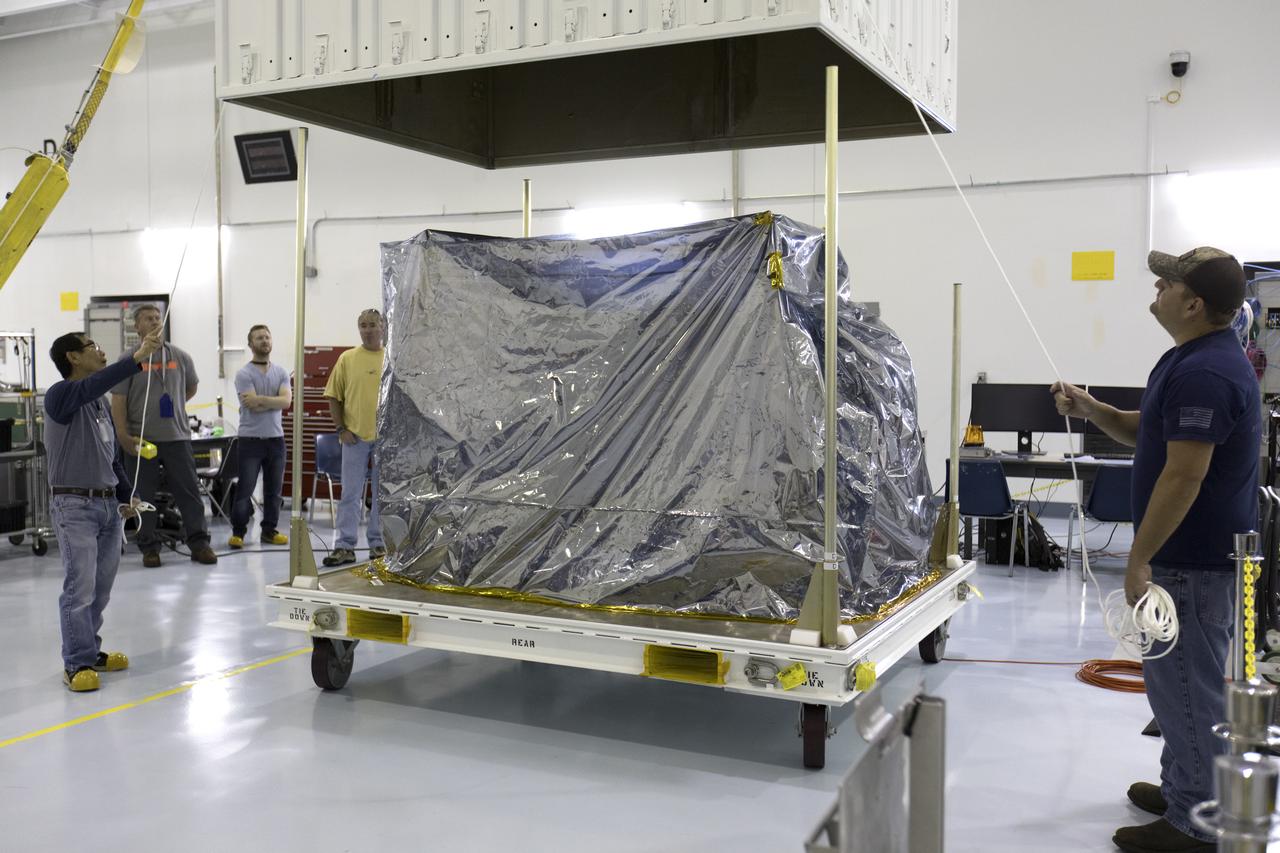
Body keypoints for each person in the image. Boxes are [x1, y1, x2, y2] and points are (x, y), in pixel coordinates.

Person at [1053, 247, 1259, 853]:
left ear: (1193, 303)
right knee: (1175, 689)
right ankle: (1184, 788)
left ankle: (1197, 825)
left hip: (1192, 562)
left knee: (1191, 691)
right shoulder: (1191, 358)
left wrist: (1138, 559)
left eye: (1167, 282)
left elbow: (1183, 476)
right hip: (1188, 559)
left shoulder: (1207, 372)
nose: (1158, 286)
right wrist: (1092, 409)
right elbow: (1145, 429)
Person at [45, 328, 163, 691]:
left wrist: (126, 496)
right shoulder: (62, 395)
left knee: (100, 589)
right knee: (78, 588)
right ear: (73, 358)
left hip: (108, 505)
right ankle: (75, 662)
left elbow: (112, 458)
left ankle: (89, 650)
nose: (100, 350)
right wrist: (137, 356)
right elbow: (89, 388)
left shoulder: (98, 405)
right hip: (74, 505)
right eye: (92, 346)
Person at [110, 304, 217, 566]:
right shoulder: (128, 360)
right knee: (143, 497)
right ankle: (149, 547)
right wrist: (123, 435)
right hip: (140, 440)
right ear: (137, 326)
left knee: (189, 492)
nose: (156, 321)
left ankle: (199, 544)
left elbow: (190, 389)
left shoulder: (181, 357)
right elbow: (118, 402)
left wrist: (172, 408)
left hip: (177, 437)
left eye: (158, 317)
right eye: (148, 318)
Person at [322, 308, 386, 566]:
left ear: (382, 326)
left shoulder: (391, 358)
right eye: (362, 325)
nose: (367, 329)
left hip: (384, 440)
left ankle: (378, 543)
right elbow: (333, 396)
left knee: (381, 494)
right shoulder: (347, 359)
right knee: (350, 493)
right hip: (355, 438)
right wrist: (341, 429)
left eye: (372, 324)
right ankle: (345, 546)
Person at [229, 324, 292, 548]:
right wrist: (274, 401)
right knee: (245, 489)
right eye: (259, 338)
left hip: (276, 440)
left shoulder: (281, 372)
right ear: (250, 344)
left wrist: (261, 399)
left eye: (267, 337)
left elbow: (286, 402)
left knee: (273, 491)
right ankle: (238, 532)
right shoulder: (244, 374)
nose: (264, 341)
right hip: (250, 441)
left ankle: (269, 531)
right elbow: (252, 406)